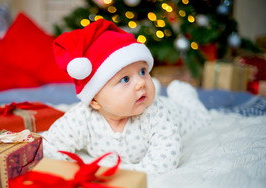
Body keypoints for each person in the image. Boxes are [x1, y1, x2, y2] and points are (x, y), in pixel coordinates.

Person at [42, 19, 210, 174]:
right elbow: (53, 143)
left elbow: (165, 157)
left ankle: (182, 93)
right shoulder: (82, 118)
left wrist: (135, 176)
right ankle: (159, 88)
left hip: (180, 114)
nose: (141, 82)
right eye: (125, 79)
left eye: (143, 72)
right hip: (138, 100)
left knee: (200, 117)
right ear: (94, 100)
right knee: (143, 92)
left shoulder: (155, 113)